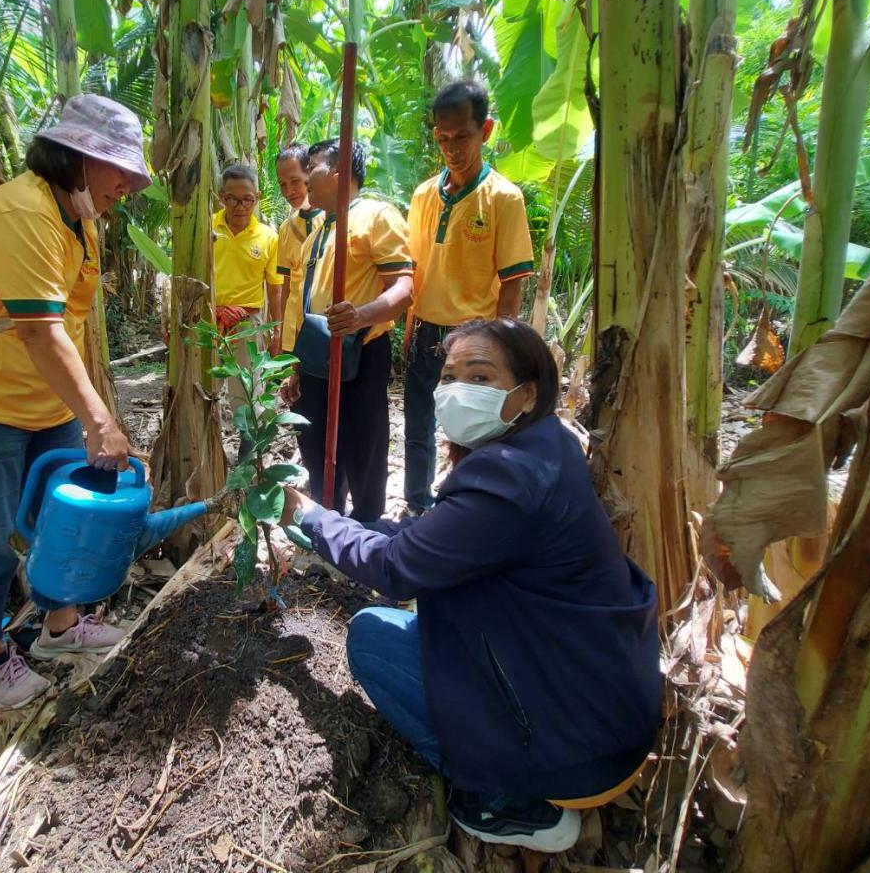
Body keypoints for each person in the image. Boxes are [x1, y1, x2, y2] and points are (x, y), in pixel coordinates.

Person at [279, 319, 661, 851]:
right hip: (604, 707)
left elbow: (394, 569)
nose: (457, 391)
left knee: (372, 636)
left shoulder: (505, 481)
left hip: (580, 748)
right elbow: (435, 536)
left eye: (480, 376)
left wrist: (314, 520)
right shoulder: (546, 445)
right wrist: (356, 526)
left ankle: (508, 800)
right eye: (450, 375)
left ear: (526, 393)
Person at [0, 95, 151, 710]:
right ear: (76, 158)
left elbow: (66, 323)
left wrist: (81, 411)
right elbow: (41, 330)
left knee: (59, 525)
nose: (126, 184)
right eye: (117, 168)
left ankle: (61, 628)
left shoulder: (78, 219)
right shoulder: (25, 213)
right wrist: (100, 419)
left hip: (42, 406)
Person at [403, 81, 535, 514]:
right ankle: (418, 505)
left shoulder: (503, 198)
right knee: (418, 424)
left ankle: (474, 508)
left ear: (486, 130)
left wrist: (501, 343)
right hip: (425, 327)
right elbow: (414, 269)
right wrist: (408, 328)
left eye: (463, 136)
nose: (452, 148)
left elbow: (512, 282)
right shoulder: (424, 195)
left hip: (473, 335)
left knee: (474, 426)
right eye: (443, 138)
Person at [280, 139, 414, 521]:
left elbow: (404, 287)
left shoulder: (376, 215)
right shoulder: (319, 228)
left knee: (363, 445)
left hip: (361, 350)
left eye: (313, 167)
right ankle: (329, 521)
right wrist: (296, 367)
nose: (305, 176)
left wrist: (361, 316)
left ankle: (368, 525)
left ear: (339, 171)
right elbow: (304, 301)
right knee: (316, 442)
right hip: (316, 356)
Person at [212, 163, 284, 462]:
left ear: (257, 197)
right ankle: (207, 459)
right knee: (203, 390)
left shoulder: (268, 237)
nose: (239, 207)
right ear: (220, 196)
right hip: (208, 321)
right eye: (232, 199)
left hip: (247, 322)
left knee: (246, 394)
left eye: (247, 200)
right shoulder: (207, 228)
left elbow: (276, 287)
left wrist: (276, 328)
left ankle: (247, 466)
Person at [272, 144, 325, 358]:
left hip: (325, 326)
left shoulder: (334, 220)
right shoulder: (286, 229)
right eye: (282, 184)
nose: (288, 191)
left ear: (310, 174)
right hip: (295, 332)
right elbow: (286, 288)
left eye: (295, 181)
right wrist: (280, 332)